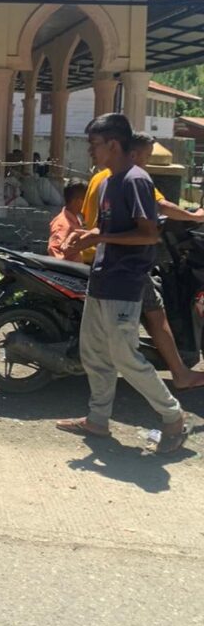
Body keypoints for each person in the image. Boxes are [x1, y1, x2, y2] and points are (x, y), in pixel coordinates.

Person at [57, 113, 188, 452]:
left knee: (125, 356)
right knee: (94, 353)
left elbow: (148, 236)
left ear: (113, 144)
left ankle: (173, 417)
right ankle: (97, 420)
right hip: (102, 279)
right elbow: (108, 229)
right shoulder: (108, 181)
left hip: (124, 283)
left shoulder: (135, 180)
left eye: (94, 145)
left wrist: (97, 241)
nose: (91, 151)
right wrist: (85, 238)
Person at [75, 130, 204, 390]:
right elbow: (161, 207)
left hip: (96, 257)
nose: (145, 163)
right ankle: (178, 378)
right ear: (131, 153)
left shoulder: (103, 177)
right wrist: (196, 217)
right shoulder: (133, 179)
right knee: (156, 315)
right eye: (145, 157)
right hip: (122, 263)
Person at [47, 181, 87, 261]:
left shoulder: (74, 219)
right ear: (77, 201)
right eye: (86, 200)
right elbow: (55, 251)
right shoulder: (63, 224)